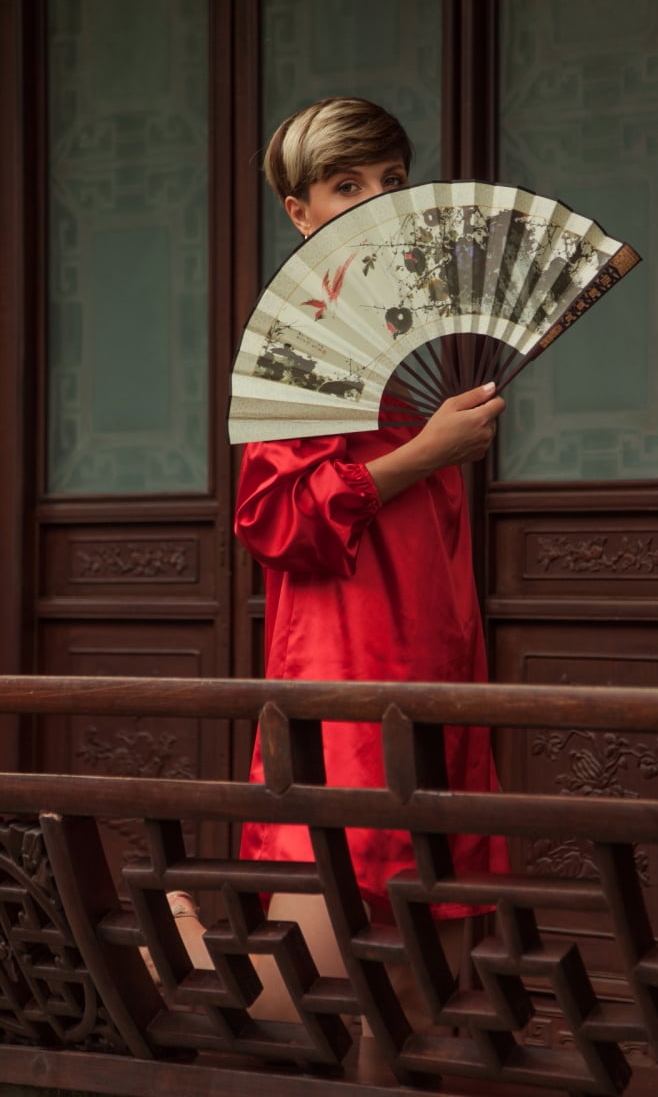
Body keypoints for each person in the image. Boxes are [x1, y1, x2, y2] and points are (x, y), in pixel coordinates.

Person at [170, 97, 508, 1031]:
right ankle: (181, 951)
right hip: (346, 656)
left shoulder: (413, 329)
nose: (375, 201)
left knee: (436, 980)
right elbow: (270, 517)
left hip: (438, 648)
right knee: (312, 983)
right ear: (300, 211)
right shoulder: (304, 331)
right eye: (345, 185)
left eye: (392, 182)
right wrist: (420, 456)